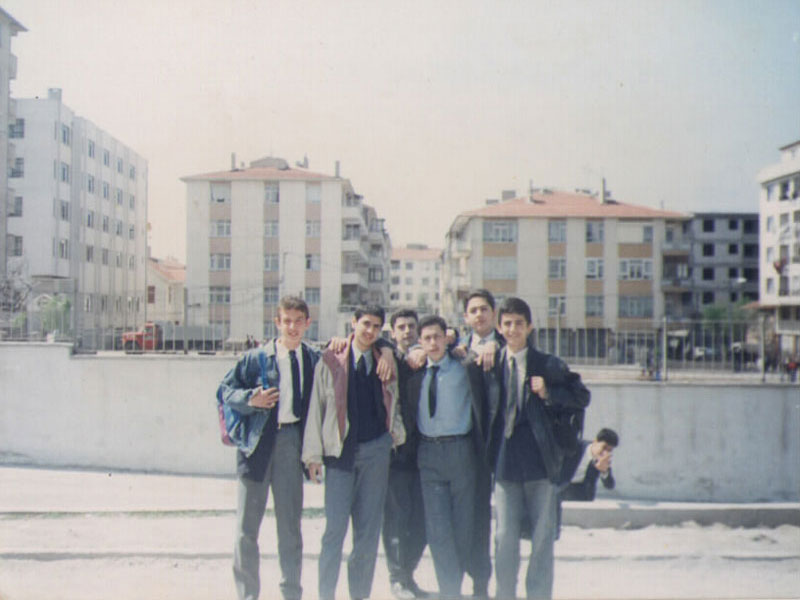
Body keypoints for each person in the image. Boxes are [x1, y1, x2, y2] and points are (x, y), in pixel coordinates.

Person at [488, 297, 590, 600]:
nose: (513, 329)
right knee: (504, 537)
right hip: (505, 464)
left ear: (530, 326)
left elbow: (581, 396)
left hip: (541, 463)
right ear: (499, 327)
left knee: (542, 538)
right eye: (507, 324)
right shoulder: (491, 364)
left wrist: (548, 392)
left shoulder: (547, 364)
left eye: (519, 323)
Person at [217, 296, 318, 600]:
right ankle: (248, 594)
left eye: (298, 321)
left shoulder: (313, 359)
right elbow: (224, 391)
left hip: (291, 444)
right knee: (247, 528)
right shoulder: (256, 358)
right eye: (286, 321)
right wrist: (251, 399)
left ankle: (291, 593)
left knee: (290, 528)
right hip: (257, 445)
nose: (292, 327)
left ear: (307, 323)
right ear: (277, 323)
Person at [302, 305, 405, 600]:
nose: (370, 331)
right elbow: (317, 408)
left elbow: (394, 401)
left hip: (376, 452)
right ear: (353, 323)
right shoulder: (331, 359)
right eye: (365, 324)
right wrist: (313, 456)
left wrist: (393, 436)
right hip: (340, 455)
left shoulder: (385, 360)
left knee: (367, 534)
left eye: (376, 326)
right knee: (334, 532)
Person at [406, 315, 488, 599]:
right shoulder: (415, 371)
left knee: (463, 525)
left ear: (447, 338)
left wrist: (463, 346)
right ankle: (450, 591)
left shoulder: (464, 367)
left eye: (437, 337)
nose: (433, 343)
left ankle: (455, 584)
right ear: (420, 342)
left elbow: (483, 350)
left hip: (460, 452)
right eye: (427, 338)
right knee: (438, 529)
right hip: (428, 453)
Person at [453, 289, 504, 598]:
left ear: (493, 313)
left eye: (484, 309)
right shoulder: (457, 348)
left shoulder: (505, 345)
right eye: (473, 310)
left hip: (498, 445)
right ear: (465, 317)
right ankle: (464, 581)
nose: (479, 315)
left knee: (488, 520)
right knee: (466, 516)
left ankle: (485, 585)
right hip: (464, 446)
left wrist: (496, 345)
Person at [382, 309, 429, 599]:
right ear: (392, 332)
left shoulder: (427, 358)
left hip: (424, 453)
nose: (407, 331)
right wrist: (387, 350)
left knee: (422, 522)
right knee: (396, 519)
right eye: (401, 327)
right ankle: (397, 579)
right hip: (397, 455)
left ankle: (408, 575)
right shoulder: (386, 357)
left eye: (412, 326)